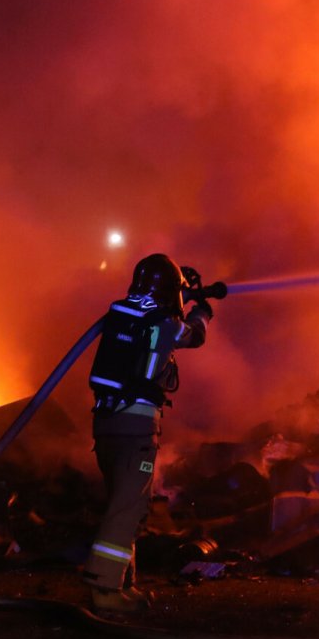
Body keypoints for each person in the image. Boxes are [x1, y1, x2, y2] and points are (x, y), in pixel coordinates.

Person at [83, 253, 213, 613]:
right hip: (136, 429)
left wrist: (182, 292)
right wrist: (202, 311)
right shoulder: (165, 323)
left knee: (125, 506)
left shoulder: (122, 313)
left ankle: (123, 583)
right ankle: (104, 588)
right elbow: (195, 336)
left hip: (107, 425)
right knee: (128, 509)